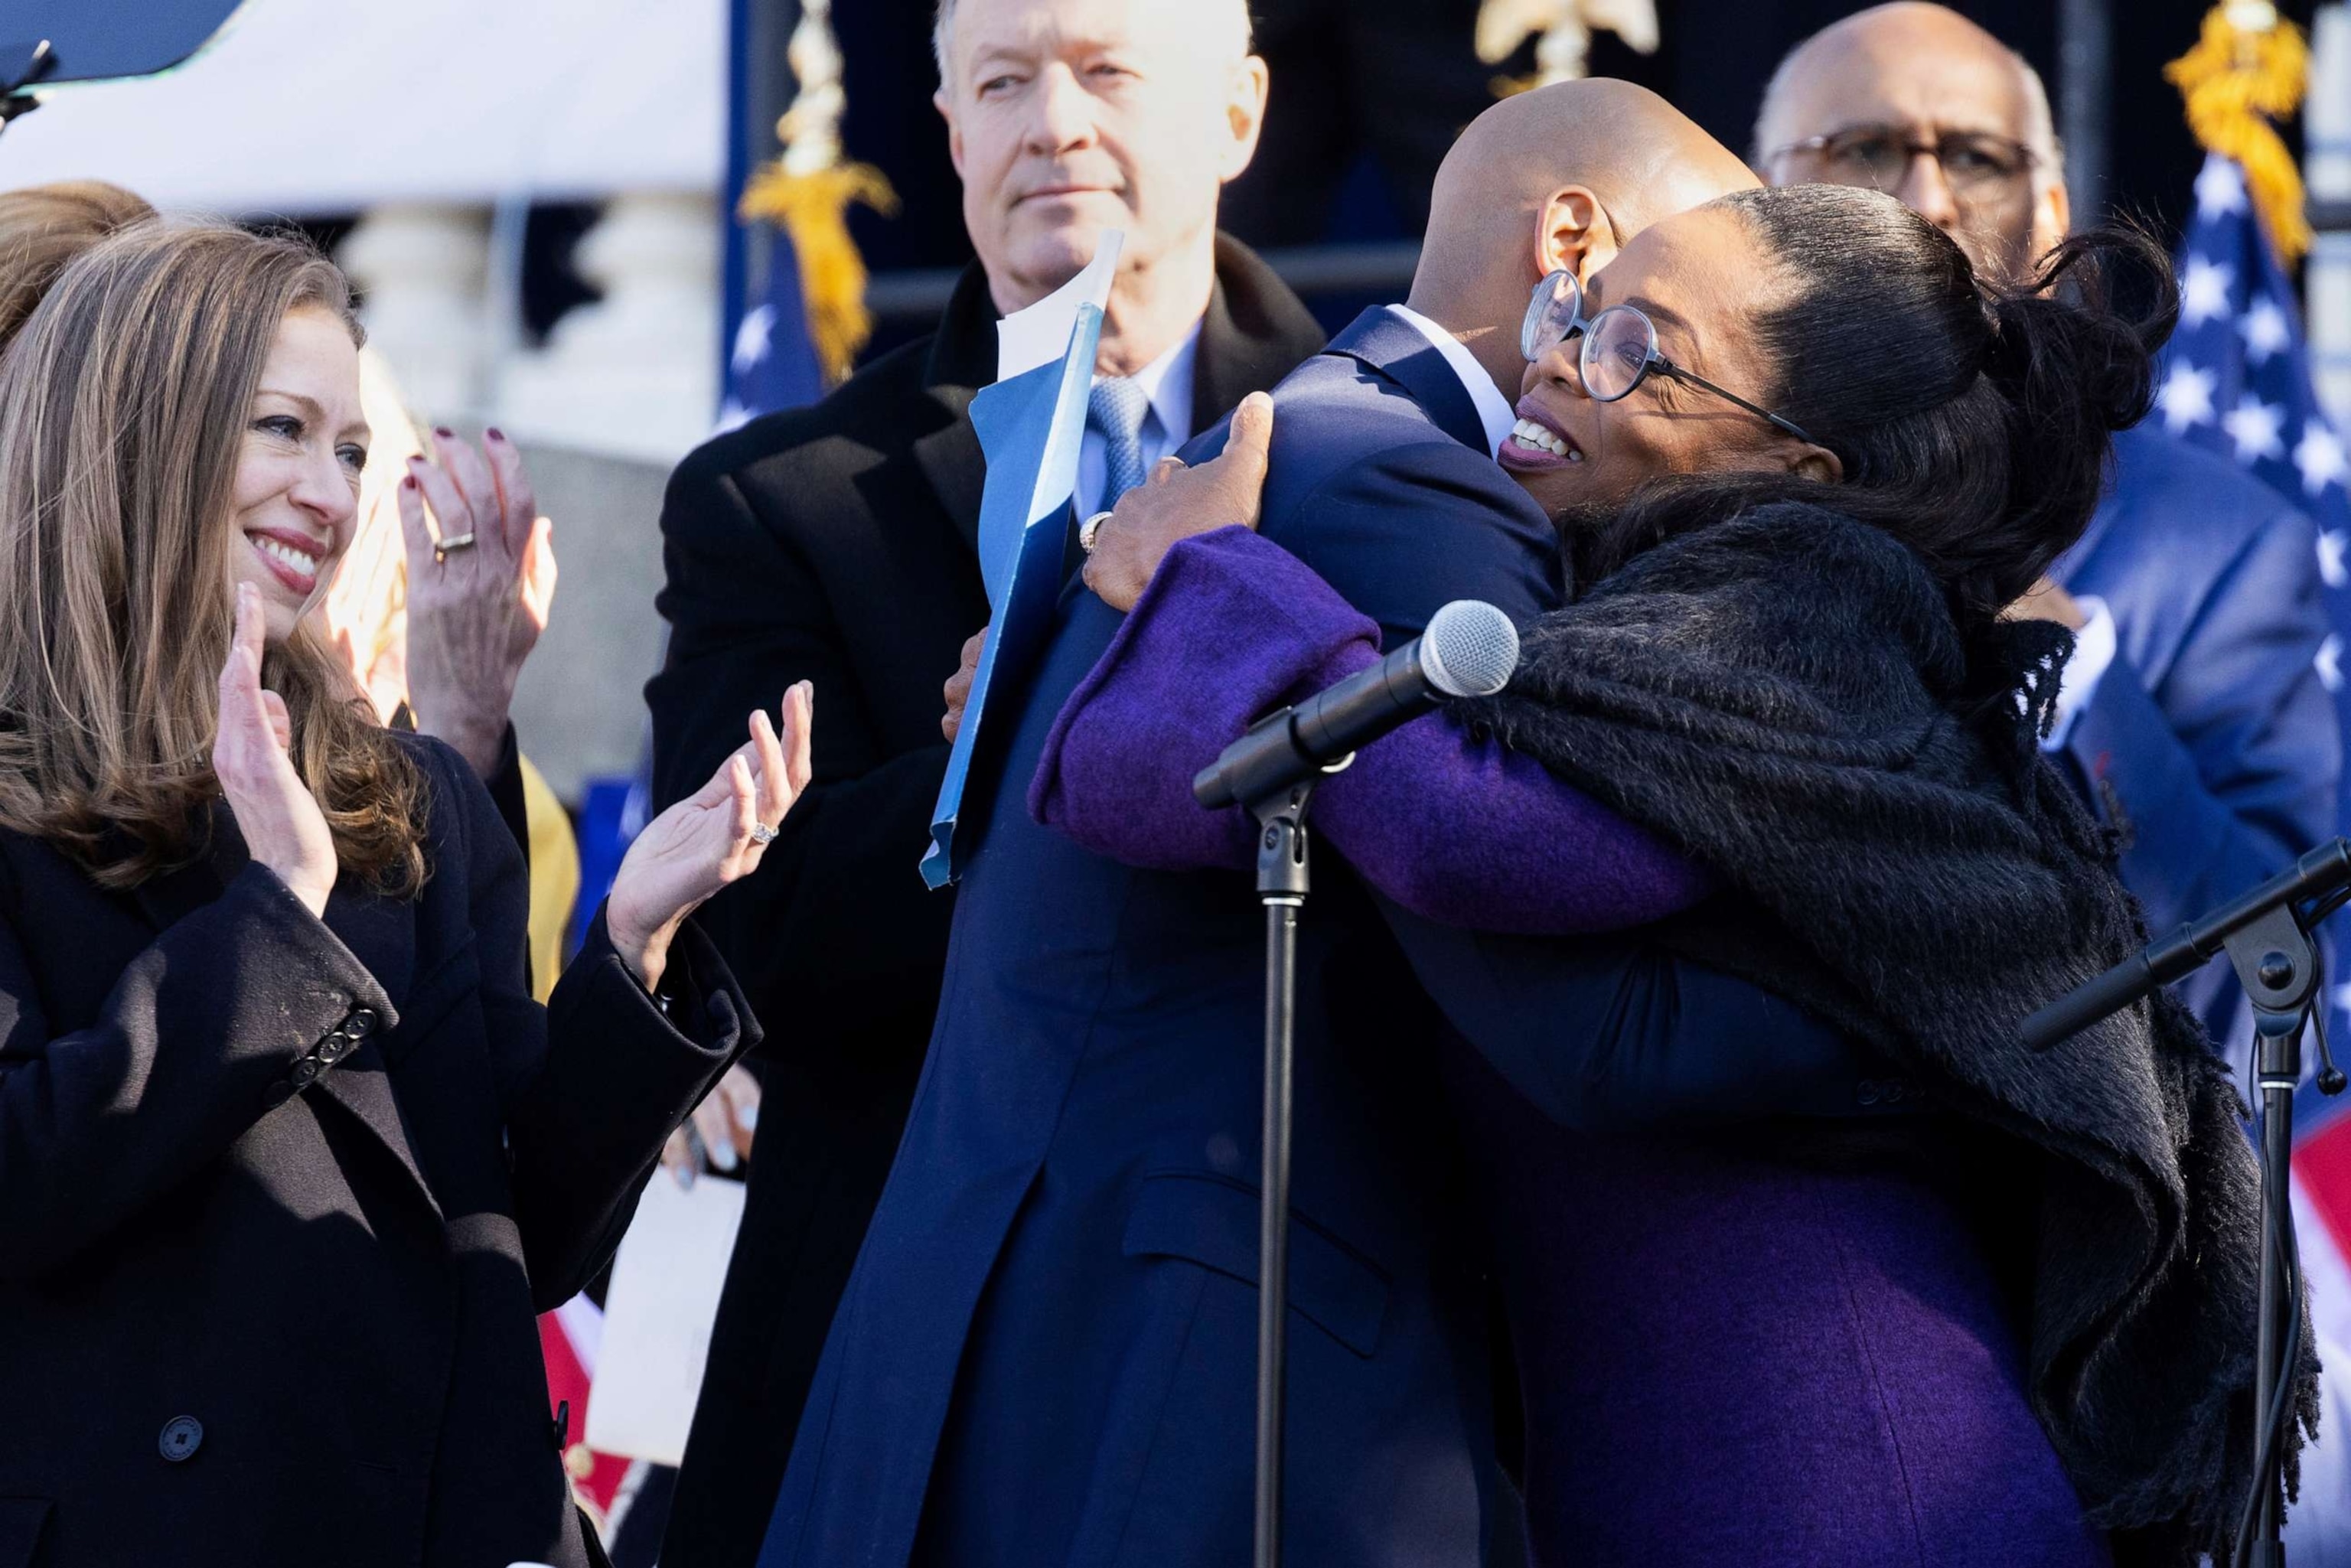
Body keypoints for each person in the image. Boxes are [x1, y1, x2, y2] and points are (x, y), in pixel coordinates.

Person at [1039, 184, 2274, 1565]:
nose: (1558, 355)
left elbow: (1473, 827)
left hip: (1867, 1502)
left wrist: (1215, 577)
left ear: (1796, 467)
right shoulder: (1663, 631)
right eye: (1578, 312)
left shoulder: (1807, 597)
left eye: (1637, 343)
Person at [755, 81, 1752, 1568]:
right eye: (1711, 303)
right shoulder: (1409, 485)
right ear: (1575, 244)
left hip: (1044, 1359)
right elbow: (1537, 974)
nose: (1738, 380)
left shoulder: (1278, 445)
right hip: (1201, 1394)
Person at [0, 221, 812, 1568]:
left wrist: (631, 944)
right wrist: (269, 927)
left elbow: (516, 1229)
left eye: (354, 451)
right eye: (282, 429)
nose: (330, 491)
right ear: (145, 435)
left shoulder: (410, 798)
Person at [646, 0, 1324, 1559]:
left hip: (1281, 1314)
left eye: (1107, 73)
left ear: (1236, 111)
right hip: (898, 1340)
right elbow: (761, 927)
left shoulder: (1390, 447)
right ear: (949, 130)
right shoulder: (784, 500)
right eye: (1005, 82)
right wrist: (1010, 737)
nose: (1056, 125)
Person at [1752, 2, 2338, 1046]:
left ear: (2056, 214)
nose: (1926, 197)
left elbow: (2270, 981)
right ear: (1757, 205)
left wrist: (2067, 657)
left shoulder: (2227, 548)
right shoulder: (1660, 457)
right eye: (1866, 149)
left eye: (1976, 156)